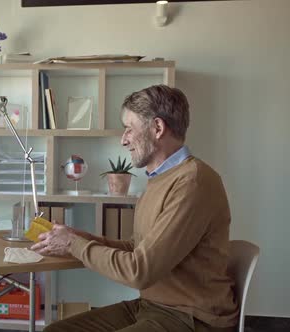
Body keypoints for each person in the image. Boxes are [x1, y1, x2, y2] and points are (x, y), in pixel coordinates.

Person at [32, 85, 238, 332]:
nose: (124, 139)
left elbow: (139, 271)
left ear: (158, 128)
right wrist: (78, 237)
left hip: (192, 317)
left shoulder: (193, 182)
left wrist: (73, 245)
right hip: (153, 306)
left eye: (130, 128)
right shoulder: (159, 178)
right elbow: (136, 249)